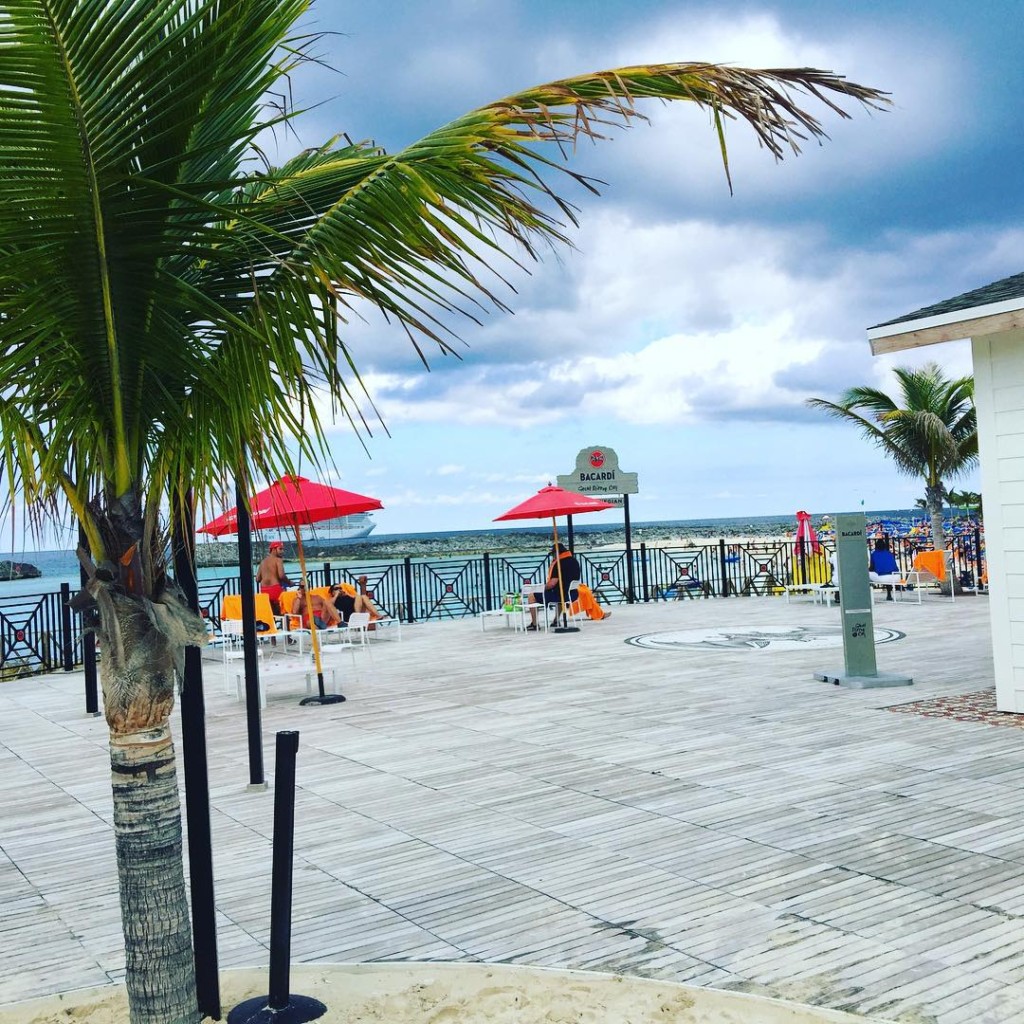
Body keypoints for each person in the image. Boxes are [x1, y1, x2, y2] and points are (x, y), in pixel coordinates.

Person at [527, 542, 581, 630]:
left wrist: (540, 588)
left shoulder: (558, 564)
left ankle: (534, 624)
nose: (553, 556)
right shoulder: (574, 561)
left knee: (531, 596)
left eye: (553, 554)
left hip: (560, 595)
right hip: (573, 594)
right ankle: (556, 620)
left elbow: (552, 583)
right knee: (560, 598)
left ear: (556, 553)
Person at [255, 540, 293, 614]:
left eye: (283, 549)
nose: (282, 551)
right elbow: (281, 576)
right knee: (284, 610)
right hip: (275, 589)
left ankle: (273, 624)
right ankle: (285, 623)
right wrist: (289, 582)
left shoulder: (263, 561)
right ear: (273, 549)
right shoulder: (278, 560)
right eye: (280, 549)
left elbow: (257, 579)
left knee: (271, 613)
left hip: (264, 590)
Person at [869, 537, 901, 601]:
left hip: (883, 578)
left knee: (866, 574)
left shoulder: (874, 554)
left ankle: (867, 594)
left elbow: (872, 568)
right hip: (896, 577)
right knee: (887, 572)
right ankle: (889, 594)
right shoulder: (889, 553)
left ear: (876, 546)